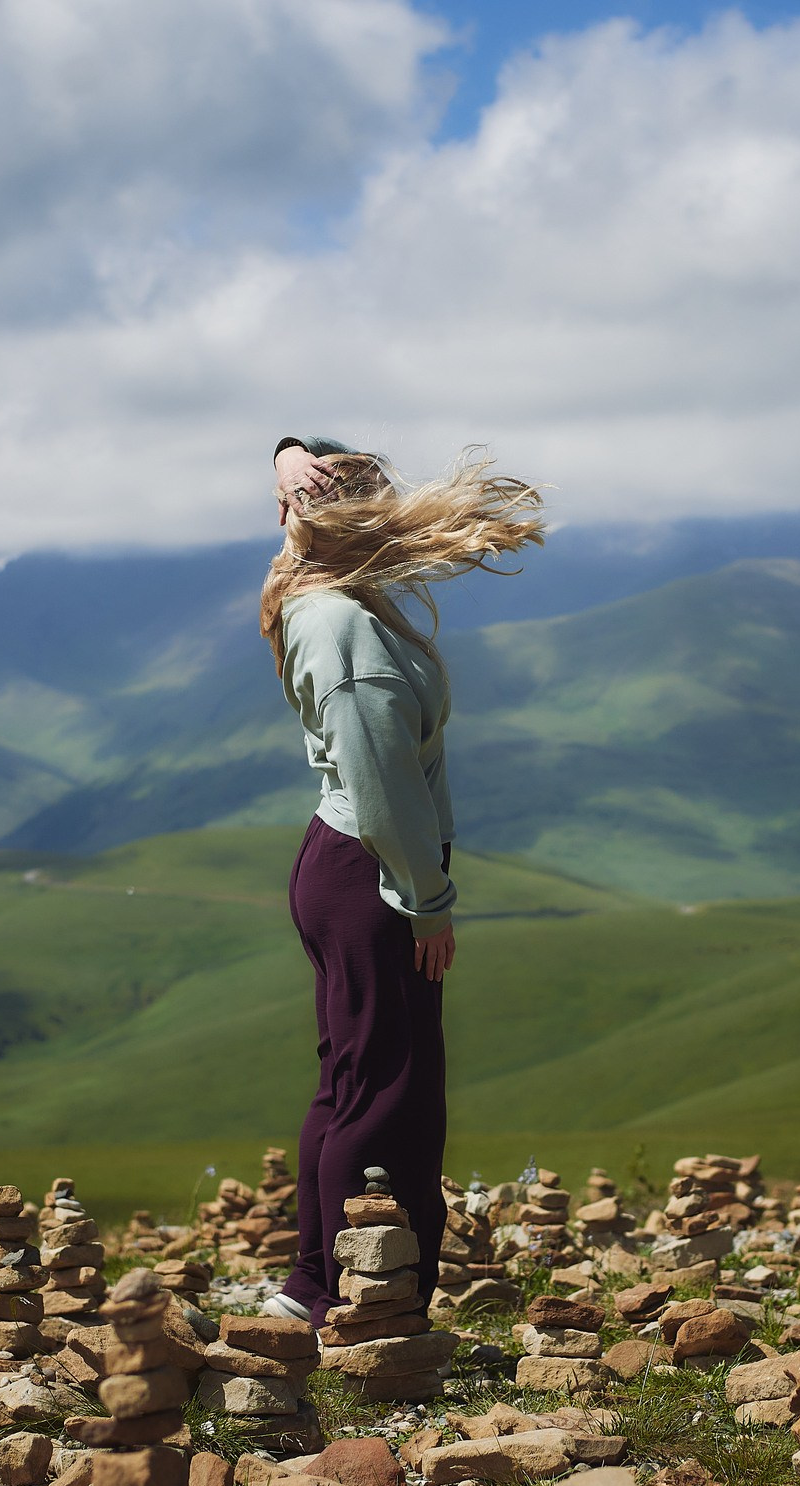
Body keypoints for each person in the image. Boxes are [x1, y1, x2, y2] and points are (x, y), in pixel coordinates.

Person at [257, 434, 545, 1326]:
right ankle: (347, 1299)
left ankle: (320, 1284)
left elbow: (298, 460)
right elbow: (382, 783)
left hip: (353, 863)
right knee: (389, 1090)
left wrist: (286, 453)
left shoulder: (324, 598)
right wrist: (428, 903)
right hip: (374, 871)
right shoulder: (342, 626)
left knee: (357, 1077)